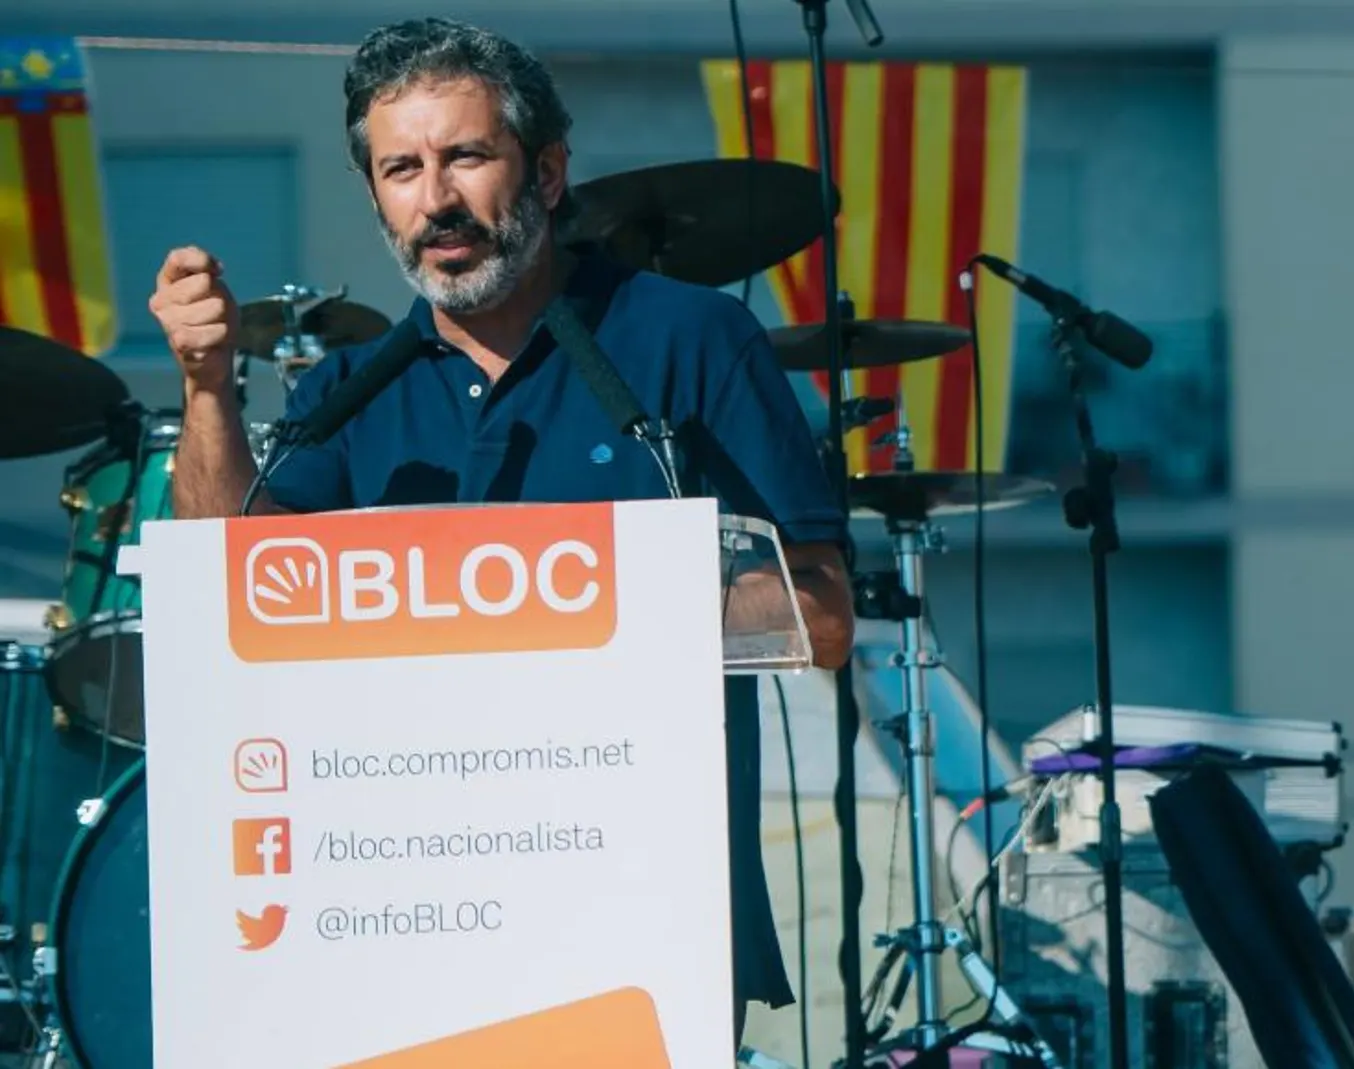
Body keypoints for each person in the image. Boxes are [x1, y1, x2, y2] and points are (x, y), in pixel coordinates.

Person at [146, 16, 856, 1047]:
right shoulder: (350, 391)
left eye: (466, 156)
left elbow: (823, 616)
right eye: (401, 169)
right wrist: (207, 389)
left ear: (549, 172)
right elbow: (223, 597)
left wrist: (579, 614)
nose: (435, 200)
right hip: (401, 924)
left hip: (645, 919)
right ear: (376, 197)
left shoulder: (689, 336)